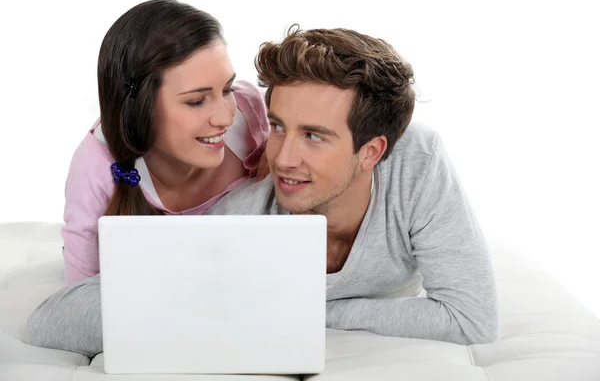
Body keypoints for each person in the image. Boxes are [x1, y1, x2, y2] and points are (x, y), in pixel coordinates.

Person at [25, 26, 498, 357]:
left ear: (372, 151)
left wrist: (302, 309)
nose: (281, 159)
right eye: (277, 127)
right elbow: (51, 322)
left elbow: (470, 319)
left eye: (314, 135)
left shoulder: (417, 160)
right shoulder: (243, 213)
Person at [61, 0, 269, 286]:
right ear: (140, 107)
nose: (224, 118)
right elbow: (76, 299)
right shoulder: (96, 170)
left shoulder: (249, 114)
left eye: (226, 89)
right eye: (196, 101)